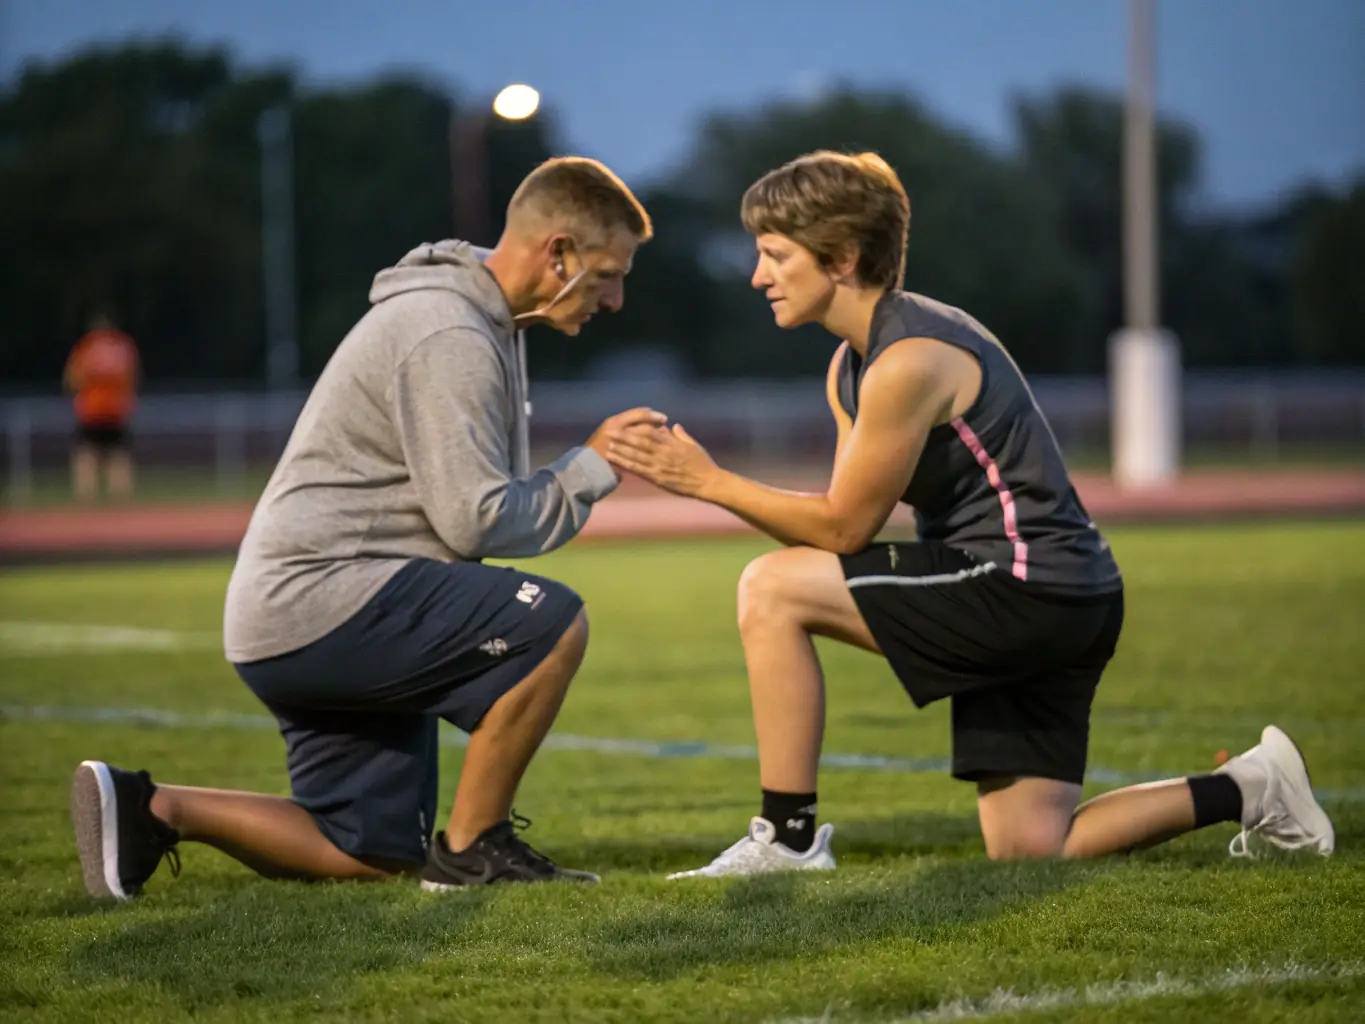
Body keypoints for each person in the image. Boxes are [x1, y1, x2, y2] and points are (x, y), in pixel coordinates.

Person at [608, 150, 1335, 877]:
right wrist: (709, 482)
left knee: (769, 589)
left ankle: (786, 837)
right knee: (1029, 848)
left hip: (1022, 587)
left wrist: (706, 482)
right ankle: (1250, 785)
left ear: (841, 257)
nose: (756, 275)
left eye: (773, 254)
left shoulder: (908, 360)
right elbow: (838, 517)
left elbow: (842, 532)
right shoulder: (853, 363)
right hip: (1063, 594)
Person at [70, 156, 666, 900]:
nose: (614, 299)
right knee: (552, 623)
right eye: (608, 274)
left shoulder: (475, 318)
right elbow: (474, 519)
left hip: (301, 614)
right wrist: (590, 467)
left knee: (367, 849)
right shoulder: (448, 329)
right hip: (327, 603)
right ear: (558, 254)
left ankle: (152, 806)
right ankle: (474, 849)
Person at [63, 312, 140, 501]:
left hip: (91, 410)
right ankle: (121, 497)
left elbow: (72, 380)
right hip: (116, 409)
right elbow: (133, 378)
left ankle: (87, 498)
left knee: (86, 454)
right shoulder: (123, 348)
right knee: (119, 455)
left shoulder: (86, 348)